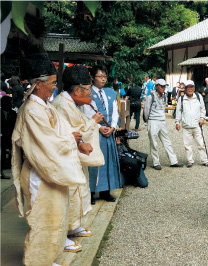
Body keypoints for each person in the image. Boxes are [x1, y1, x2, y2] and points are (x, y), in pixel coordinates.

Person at [11, 53, 87, 266]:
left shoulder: (43, 106)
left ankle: (45, 259)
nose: (55, 87)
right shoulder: (32, 110)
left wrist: (74, 140)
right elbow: (45, 144)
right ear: (38, 84)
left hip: (50, 170)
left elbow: (58, 133)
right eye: (53, 83)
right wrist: (71, 139)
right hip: (39, 172)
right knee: (43, 220)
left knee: (55, 218)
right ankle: (36, 261)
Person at [52, 65, 106, 248]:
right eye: (88, 90)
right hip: (63, 157)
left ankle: (74, 226)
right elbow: (65, 134)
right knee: (67, 195)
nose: (90, 94)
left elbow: (75, 130)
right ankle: (63, 235)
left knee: (79, 192)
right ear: (77, 90)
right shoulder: (60, 105)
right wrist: (92, 122)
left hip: (74, 154)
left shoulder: (70, 103)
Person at [81, 66, 124, 204]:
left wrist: (112, 126)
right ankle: (91, 193)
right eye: (100, 76)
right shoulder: (87, 93)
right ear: (92, 77)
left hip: (109, 132)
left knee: (108, 161)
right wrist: (99, 127)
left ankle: (106, 191)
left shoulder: (110, 93)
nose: (103, 78)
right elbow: (86, 113)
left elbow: (115, 112)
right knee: (94, 161)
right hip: (95, 132)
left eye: (105, 76)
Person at [143, 78, 182, 170]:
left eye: (164, 86)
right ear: (156, 86)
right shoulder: (150, 97)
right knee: (154, 143)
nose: (163, 88)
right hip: (153, 121)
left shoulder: (164, 96)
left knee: (167, 141)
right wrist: (148, 121)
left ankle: (173, 161)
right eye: (161, 86)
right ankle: (156, 162)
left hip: (162, 121)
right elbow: (146, 111)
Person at [175, 80, 208, 168]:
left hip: (197, 125)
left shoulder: (198, 97)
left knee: (201, 144)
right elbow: (178, 111)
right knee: (187, 145)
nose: (190, 89)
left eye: (191, 87)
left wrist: (202, 118)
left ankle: (205, 160)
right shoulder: (181, 98)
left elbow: (203, 109)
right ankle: (190, 161)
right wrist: (177, 122)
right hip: (186, 126)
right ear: (185, 88)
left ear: (194, 88)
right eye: (188, 87)